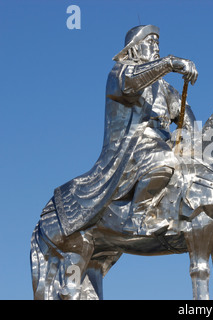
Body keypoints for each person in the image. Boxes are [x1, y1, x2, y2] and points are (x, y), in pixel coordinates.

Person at [53, 25, 198, 236]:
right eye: (150, 42)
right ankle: (137, 218)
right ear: (134, 49)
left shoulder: (166, 88)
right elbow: (132, 83)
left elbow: (186, 119)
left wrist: (193, 139)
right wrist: (171, 62)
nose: (156, 47)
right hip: (133, 146)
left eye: (157, 42)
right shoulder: (120, 73)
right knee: (164, 160)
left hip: (163, 141)